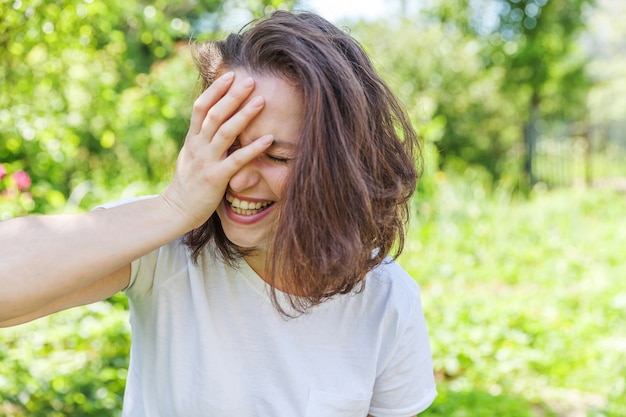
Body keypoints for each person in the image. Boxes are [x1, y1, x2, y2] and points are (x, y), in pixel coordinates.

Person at [0, 10, 437, 417]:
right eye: (226, 143)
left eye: (277, 156)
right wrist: (173, 207)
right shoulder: (165, 244)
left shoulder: (386, 300)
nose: (239, 179)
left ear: (342, 165)